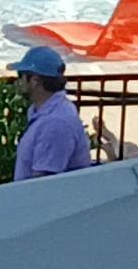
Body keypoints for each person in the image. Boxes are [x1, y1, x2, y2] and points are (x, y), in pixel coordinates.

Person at [9, 46, 91, 180]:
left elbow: (42, 186)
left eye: (20, 75)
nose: (18, 81)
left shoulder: (55, 123)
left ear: (35, 81)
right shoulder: (50, 110)